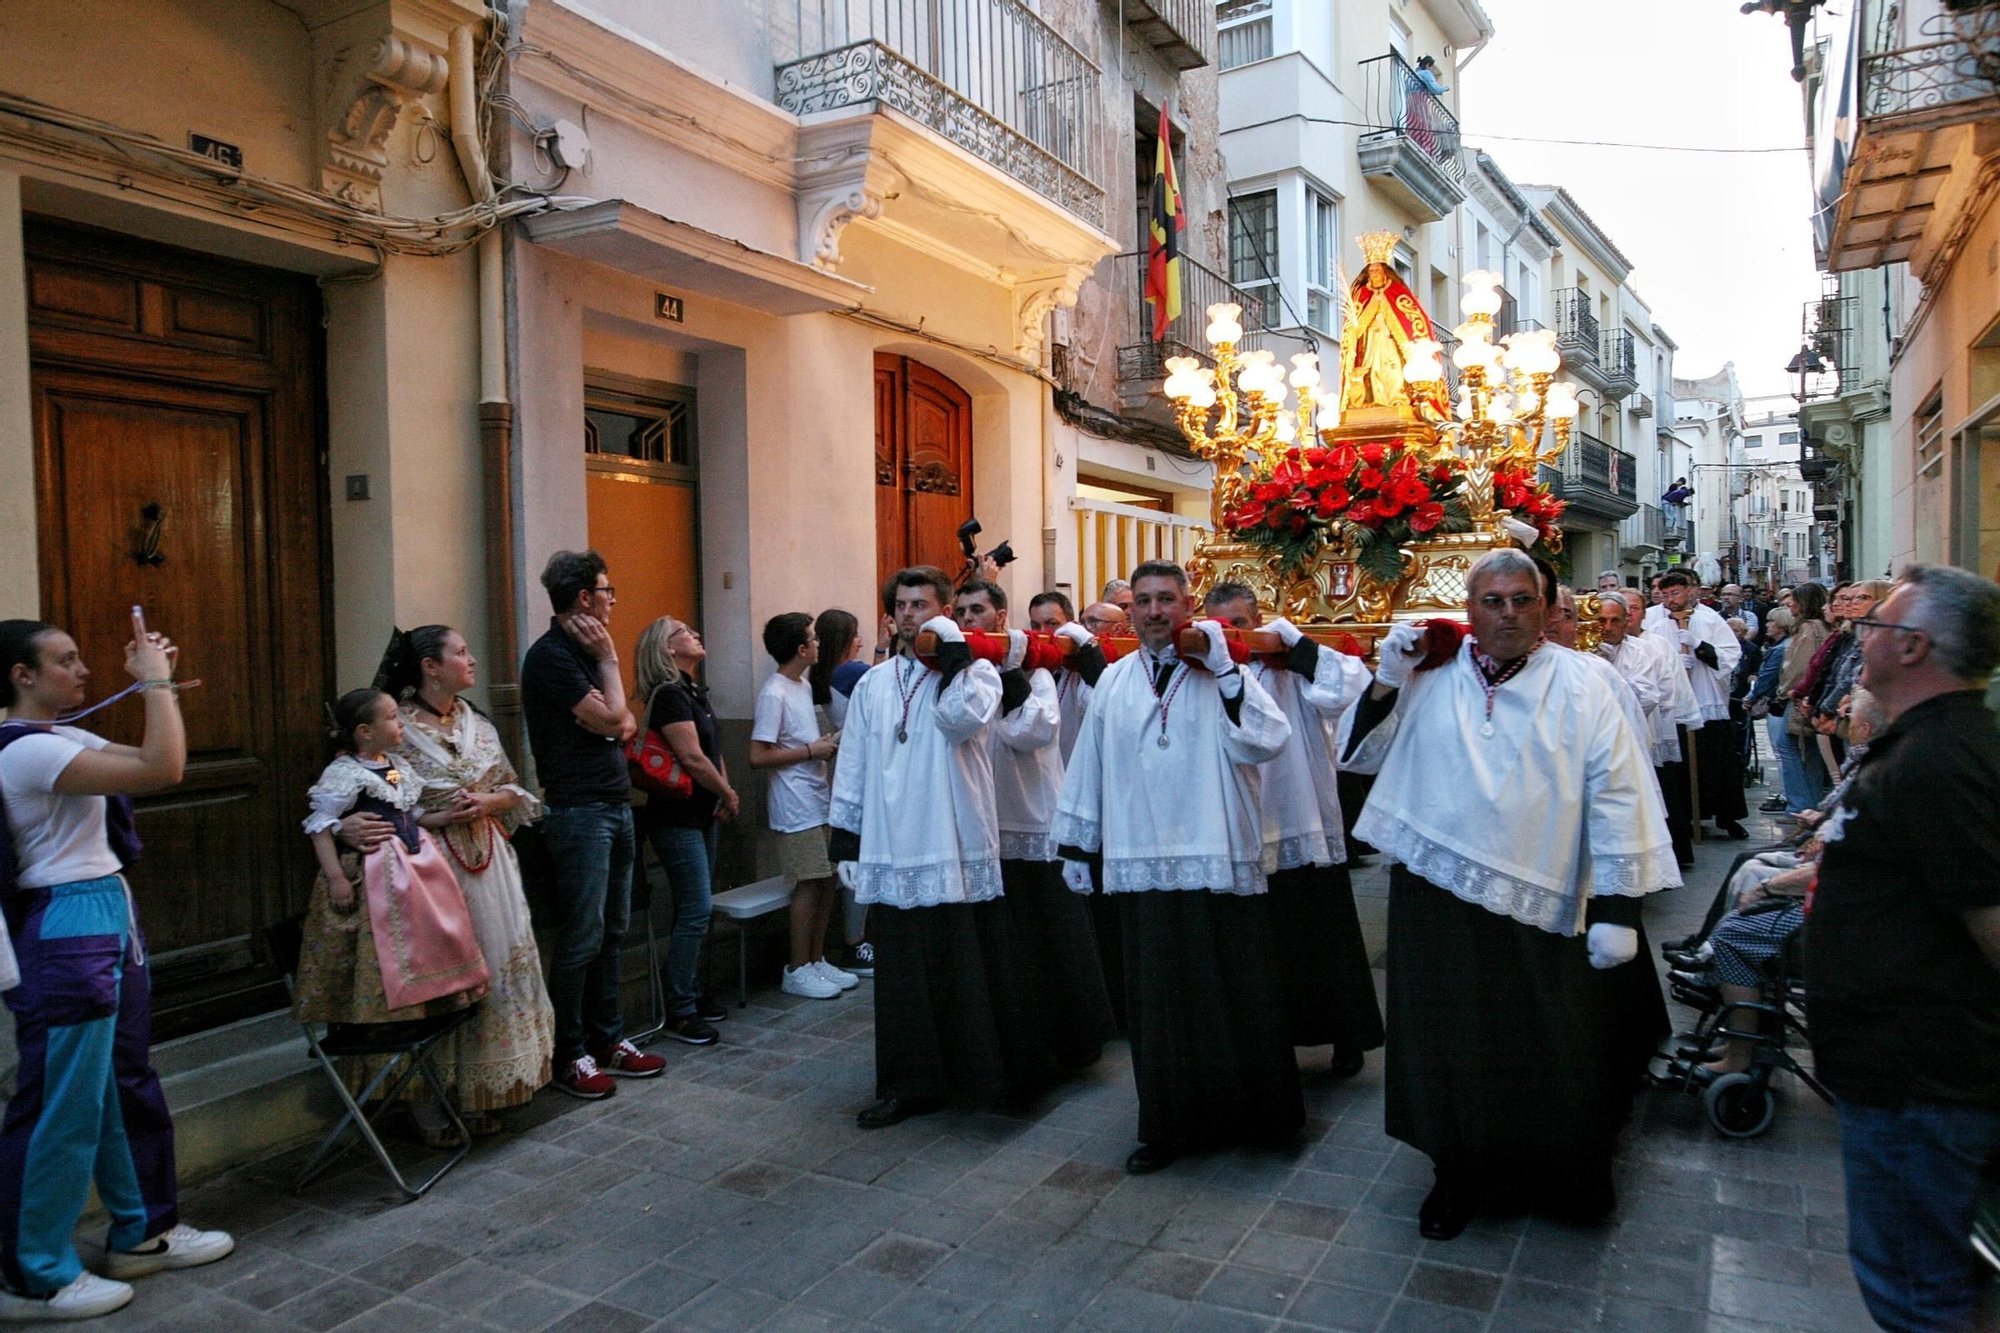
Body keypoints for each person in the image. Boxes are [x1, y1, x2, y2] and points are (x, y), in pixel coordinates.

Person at [1341, 549, 1679, 1239]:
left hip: (1544, 893)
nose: (1508, 613)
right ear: (1468, 609)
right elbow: (1360, 757)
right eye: (1491, 601)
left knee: (1550, 1043)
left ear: (1547, 607)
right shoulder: (1430, 675)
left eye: (1522, 599)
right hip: (1437, 895)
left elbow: (1619, 794)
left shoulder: (1587, 683)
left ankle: (1559, 1173)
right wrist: (1384, 681)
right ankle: (1455, 1172)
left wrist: (1617, 910)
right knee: (1449, 1042)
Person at [0, 615, 233, 1320]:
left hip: (105, 910)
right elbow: (163, 769)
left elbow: (163, 750)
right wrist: (155, 682)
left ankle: (144, 1231)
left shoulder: (64, 736)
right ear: (23, 675)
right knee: (58, 1104)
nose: (84, 670)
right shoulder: (22, 752)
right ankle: (32, 1274)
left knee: (123, 1082)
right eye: (66, 661)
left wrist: (158, 689)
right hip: (67, 919)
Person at [1053, 561, 1301, 1174]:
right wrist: (1079, 845)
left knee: (1236, 993)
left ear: (1189, 606)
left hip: (1217, 857)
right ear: (1130, 612)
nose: (1156, 611)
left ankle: (1259, 1119)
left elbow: (1267, 740)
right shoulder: (1112, 680)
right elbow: (1088, 763)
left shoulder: (1223, 668)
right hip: (1142, 861)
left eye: (1167, 599)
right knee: (1160, 1005)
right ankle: (1168, 1126)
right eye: (1144, 601)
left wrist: (1224, 673)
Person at [1805, 565, 2000, 1333]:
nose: (1861, 636)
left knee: (1919, 1296)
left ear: (1913, 646)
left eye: (1875, 625)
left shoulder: (1939, 762)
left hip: (1920, 1082)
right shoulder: (1926, 744)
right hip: (1906, 1074)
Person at [830, 567, 1045, 1129]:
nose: (909, 614)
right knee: (903, 977)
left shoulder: (978, 674)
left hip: (954, 840)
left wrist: (953, 657)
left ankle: (984, 1078)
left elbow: (957, 722)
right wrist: (846, 841)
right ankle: (910, 1084)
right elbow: (852, 763)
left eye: (922, 604)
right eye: (901, 604)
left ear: (944, 610)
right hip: (894, 845)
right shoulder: (874, 684)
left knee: (966, 965)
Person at [377, 626, 554, 1134]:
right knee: (446, 980)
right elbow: (383, 791)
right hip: (429, 870)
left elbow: (510, 786)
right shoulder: (396, 729)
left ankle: (481, 1091)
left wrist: (489, 802)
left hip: (489, 862)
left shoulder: (476, 723)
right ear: (430, 667)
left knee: (494, 968)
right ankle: (430, 1101)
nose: (471, 659)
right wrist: (433, 815)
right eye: (460, 652)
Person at [1202, 583, 1381, 1077]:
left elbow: (1349, 689)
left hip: (1299, 814)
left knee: (1321, 938)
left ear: (1259, 619)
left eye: (1238, 624)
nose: (1231, 635)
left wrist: (1297, 649)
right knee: (1260, 947)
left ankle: (1345, 1035)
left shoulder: (1294, 661)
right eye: (1218, 627)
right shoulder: (1212, 670)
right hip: (1244, 822)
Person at [519, 550, 664, 1100]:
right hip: (579, 814)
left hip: (613, 807)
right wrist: (608, 661)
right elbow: (615, 721)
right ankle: (570, 1053)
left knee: (613, 932)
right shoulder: (553, 658)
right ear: (584, 598)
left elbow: (623, 724)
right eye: (608, 591)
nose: (612, 600)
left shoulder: (575, 652)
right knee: (581, 938)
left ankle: (609, 1040)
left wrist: (617, 715)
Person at [954, 581, 1115, 1071]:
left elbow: (1032, 731)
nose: (969, 619)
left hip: (1033, 817)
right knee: (1009, 945)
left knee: (1051, 939)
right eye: (960, 611)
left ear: (1000, 619)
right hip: (985, 822)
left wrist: (1009, 671)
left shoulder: (1038, 674)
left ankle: (1074, 1038)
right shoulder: (959, 676)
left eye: (978, 610)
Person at [295, 687, 489, 1033]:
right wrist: (337, 877)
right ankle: (387, 1013)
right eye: (391, 718)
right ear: (364, 732)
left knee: (430, 929)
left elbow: (408, 812)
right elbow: (320, 825)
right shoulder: (346, 771)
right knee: (385, 940)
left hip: (415, 865)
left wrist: (445, 817)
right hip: (376, 871)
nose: (401, 724)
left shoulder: (395, 767)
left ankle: (433, 996)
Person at [633, 615, 742, 1040]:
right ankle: (680, 1007)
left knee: (695, 908)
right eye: (685, 633)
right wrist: (729, 794)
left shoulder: (693, 692)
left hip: (701, 813)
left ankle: (691, 993)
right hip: (676, 817)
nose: (696, 634)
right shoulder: (669, 696)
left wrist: (724, 789)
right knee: (695, 908)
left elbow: (712, 753)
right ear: (667, 648)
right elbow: (693, 758)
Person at [748, 613, 848, 1003]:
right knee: (807, 883)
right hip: (794, 806)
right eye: (813, 639)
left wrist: (820, 744)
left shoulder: (801, 686)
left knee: (826, 880)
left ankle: (817, 958)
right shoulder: (774, 692)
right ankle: (797, 967)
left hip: (817, 796)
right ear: (801, 649)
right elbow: (757, 755)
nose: (820, 645)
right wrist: (811, 750)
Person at [1649, 569, 1747, 839]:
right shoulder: (1654, 620)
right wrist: (1672, 664)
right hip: (1674, 701)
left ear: (1691, 591)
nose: (1670, 599)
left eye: (1676, 593)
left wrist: (1699, 646)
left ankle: (1726, 817)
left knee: (1715, 763)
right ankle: (1686, 816)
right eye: (1665, 594)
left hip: (1706, 698)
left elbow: (1729, 655)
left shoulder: (1709, 619)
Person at [808, 609, 872, 975]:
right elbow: (889, 680)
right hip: (865, 767)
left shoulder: (821, 675)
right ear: (846, 638)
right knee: (861, 856)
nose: (860, 641)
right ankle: (855, 942)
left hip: (844, 769)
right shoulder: (850, 672)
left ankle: (854, 940)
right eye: (857, 634)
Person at [1777, 582, 1834, 813]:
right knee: (1809, 751)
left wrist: (1785, 691)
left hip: (1801, 697)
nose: (1790, 603)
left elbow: (1799, 666)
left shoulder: (1809, 629)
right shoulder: (1823, 627)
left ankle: (1799, 805)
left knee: (1789, 747)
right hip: (1813, 696)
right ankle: (1810, 804)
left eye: (1795, 599)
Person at [1749, 608, 1795, 813]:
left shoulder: (1779, 650)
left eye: (1770, 621)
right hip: (1781, 702)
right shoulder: (1784, 645)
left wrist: (1752, 697)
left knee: (1781, 752)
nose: (1766, 625)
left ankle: (1787, 795)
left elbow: (1767, 677)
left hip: (1778, 703)